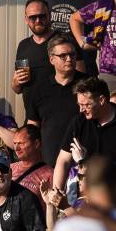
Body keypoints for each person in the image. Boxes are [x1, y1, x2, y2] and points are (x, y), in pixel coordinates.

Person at [53, 77, 116, 191]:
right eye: (79, 104)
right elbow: (63, 161)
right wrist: (56, 193)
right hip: (85, 193)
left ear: (101, 100)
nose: (81, 110)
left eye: (86, 105)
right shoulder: (79, 122)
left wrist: (83, 161)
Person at [26, 34, 89, 166]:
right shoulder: (39, 88)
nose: (69, 59)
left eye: (72, 54)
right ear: (52, 59)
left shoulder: (88, 85)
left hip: (83, 159)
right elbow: (33, 125)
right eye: (63, 56)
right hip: (49, 161)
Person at [11, 0, 70, 111]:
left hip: (60, 112)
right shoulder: (23, 46)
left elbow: (79, 80)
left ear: (49, 16)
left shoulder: (64, 41)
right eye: (33, 17)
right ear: (26, 19)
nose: (38, 20)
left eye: (42, 16)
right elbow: (18, 89)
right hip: (32, 115)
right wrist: (15, 83)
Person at [10, 125, 53, 204]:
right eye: (15, 143)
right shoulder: (9, 168)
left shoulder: (50, 174)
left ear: (36, 144)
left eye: (21, 143)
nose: (16, 148)